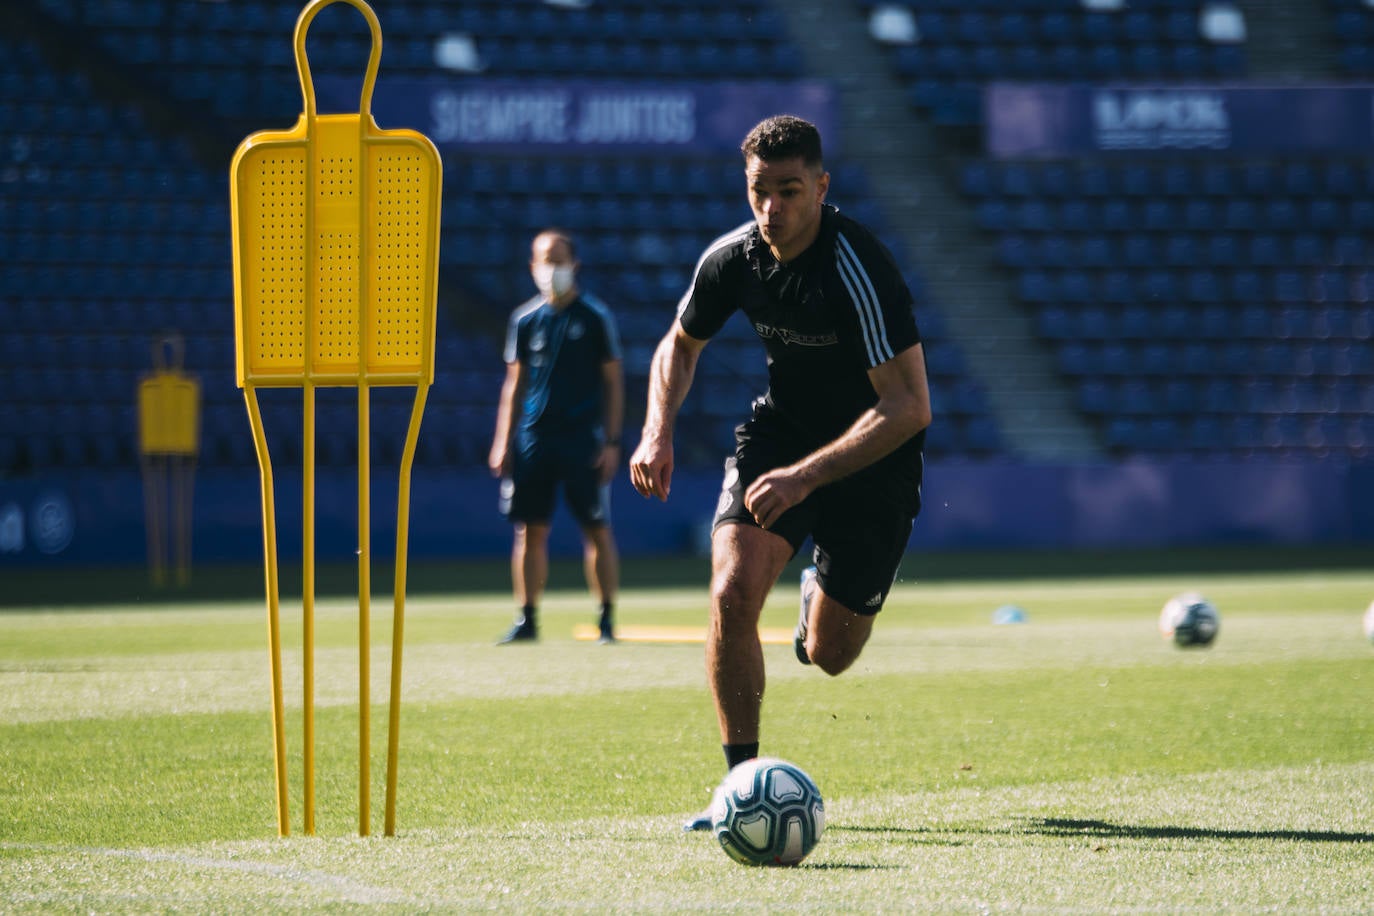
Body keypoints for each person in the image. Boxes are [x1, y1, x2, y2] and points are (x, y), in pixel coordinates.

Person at [628, 115, 931, 829]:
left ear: (822, 188)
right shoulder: (733, 259)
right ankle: (740, 788)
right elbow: (679, 343)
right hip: (782, 432)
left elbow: (910, 407)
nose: (773, 209)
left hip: (873, 456)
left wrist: (806, 479)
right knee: (731, 592)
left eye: (791, 191)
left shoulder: (858, 265)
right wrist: (655, 429)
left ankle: (816, 598)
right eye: (760, 191)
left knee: (830, 657)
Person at [490, 228, 624, 645]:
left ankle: (605, 619)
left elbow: (614, 382)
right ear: (532, 267)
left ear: (574, 264)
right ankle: (527, 618)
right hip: (534, 439)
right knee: (529, 530)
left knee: (595, 528)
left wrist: (613, 441)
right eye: (544, 260)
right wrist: (503, 440)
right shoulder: (526, 320)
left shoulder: (594, 317)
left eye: (559, 259)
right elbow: (514, 384)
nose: (551, 268)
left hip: (583, 438)